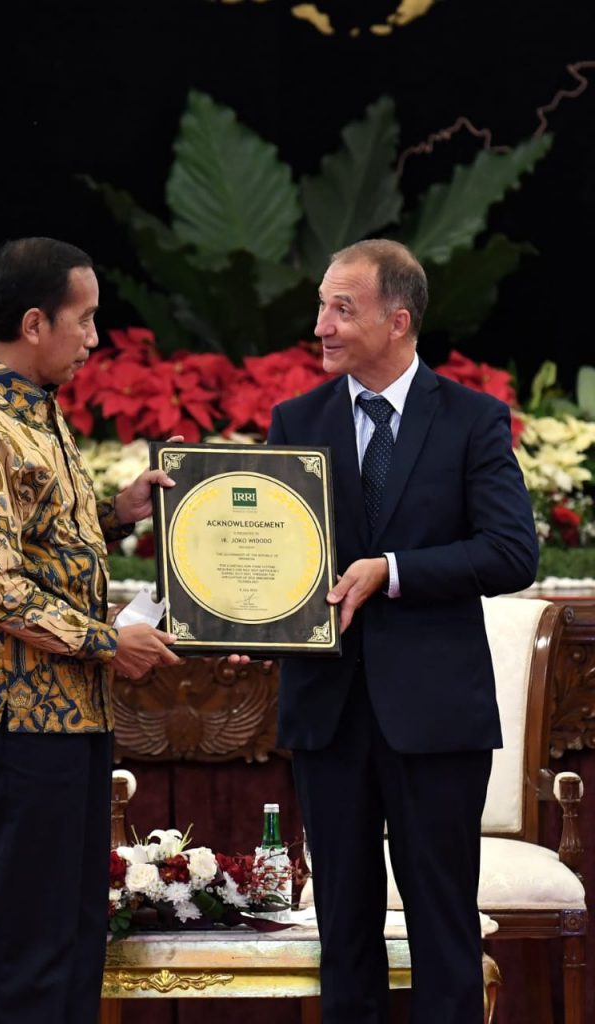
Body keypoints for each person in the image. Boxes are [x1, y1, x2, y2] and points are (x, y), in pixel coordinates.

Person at [267, 239, 538, 1023]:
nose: (320, 324)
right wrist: (247, 613)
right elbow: (276, 556)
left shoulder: (472, 420)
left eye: (341, 309)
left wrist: (393, 569)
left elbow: (511, 551)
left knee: (442, 928)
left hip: (436, 717)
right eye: (320, 305)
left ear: (399, 320)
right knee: (342, 927)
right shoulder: (297, 419)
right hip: (329, 711)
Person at [0, 236, 182, 1024]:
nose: (94, 338)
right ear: (35, 322)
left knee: (75, 931)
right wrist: (111, 641)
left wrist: (118, 512)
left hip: (70, 706)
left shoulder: (33, 411)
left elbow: (34, 545)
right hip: (20, 709)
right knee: (32, 937)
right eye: (85, 320)